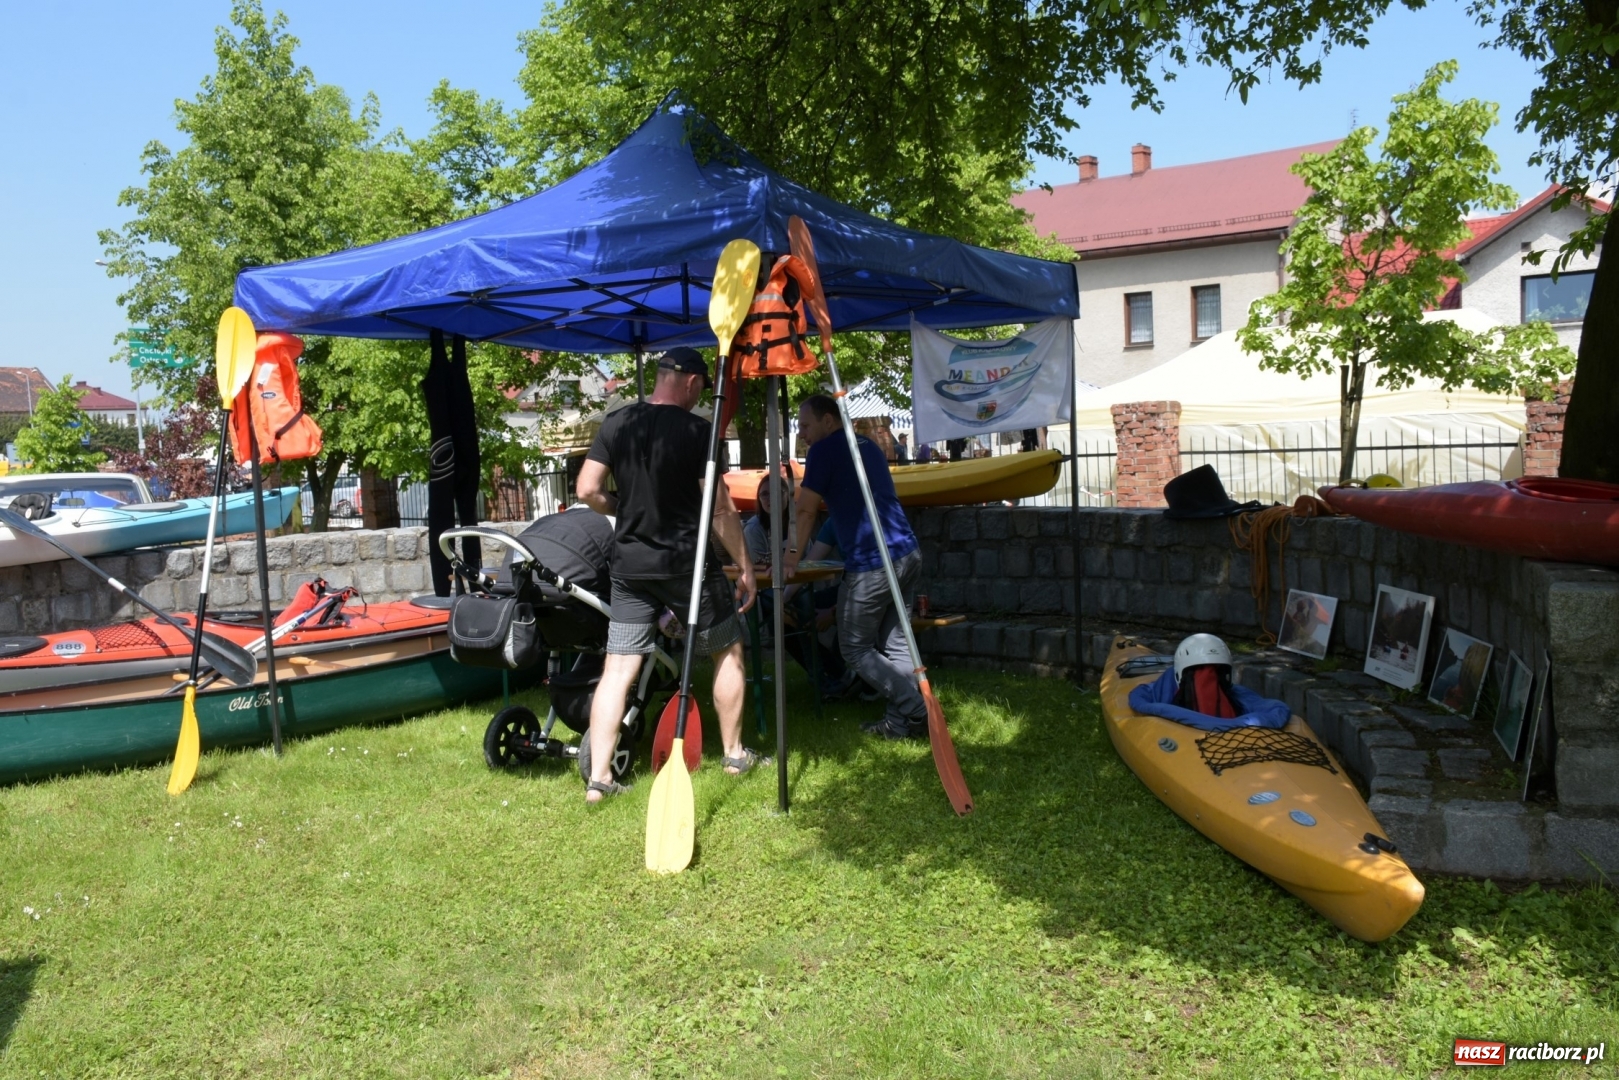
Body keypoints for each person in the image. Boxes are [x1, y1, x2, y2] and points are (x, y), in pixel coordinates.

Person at [575, 347, 764, 802]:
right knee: (726, 650)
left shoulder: (617, 423)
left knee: (619, 667)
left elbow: (587, 489)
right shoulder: (699, 431)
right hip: (686, 564)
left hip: (630, 568)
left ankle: (599, 779)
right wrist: (743, 565)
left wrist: (622, 509)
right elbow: (718, 508)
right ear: (694, 384)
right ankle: (735, 754)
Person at [785, 394, 926, 739]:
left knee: (855, 647)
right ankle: (901, 723)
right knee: (895, 642)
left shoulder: (825, 450)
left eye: (805, 425)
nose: (802, 434)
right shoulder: (868, 445)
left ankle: (917, 709)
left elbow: (805, 510)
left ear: (828, 421)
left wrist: (790, 558)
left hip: (873, 563)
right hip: (907, 553)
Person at [745, 475, 853, 699]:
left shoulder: (797, 527)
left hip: (795, 590)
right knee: (798, 614)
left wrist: (786, 598)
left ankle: (828, 678)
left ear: (787, 496)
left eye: (775, 493)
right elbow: (756, 572)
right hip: (764, 594)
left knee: (799, 614)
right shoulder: (754, 529)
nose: (769, 499)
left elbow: (807, 565)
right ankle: (833, 676)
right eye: (764, 494)